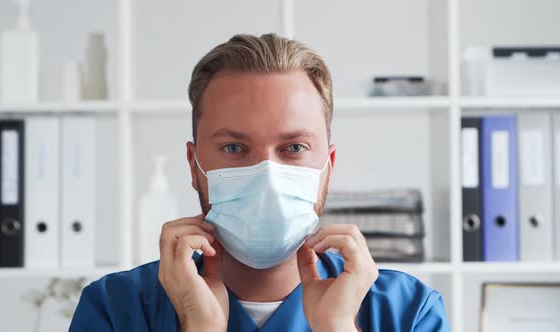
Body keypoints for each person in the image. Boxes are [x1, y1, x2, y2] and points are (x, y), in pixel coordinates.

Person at [69, 33, 450, 332]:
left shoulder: (407, 312)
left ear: (328, 167)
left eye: (294, 147)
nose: (267, 175)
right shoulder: (116, 309)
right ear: (193, 164)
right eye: (234, 147)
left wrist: (339, 328)